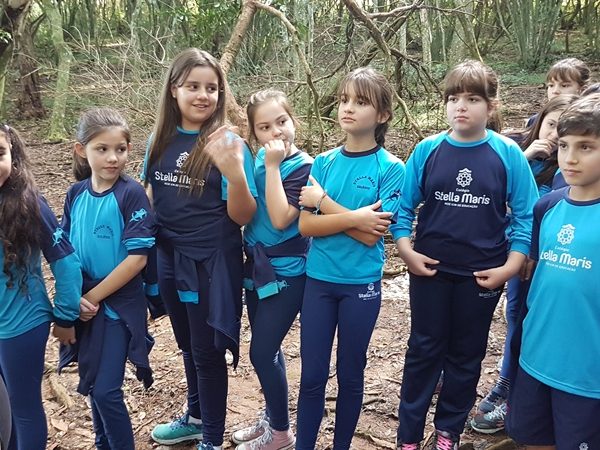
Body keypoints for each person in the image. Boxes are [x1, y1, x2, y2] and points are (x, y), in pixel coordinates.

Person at [392, 60, 539, 450]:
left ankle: (448, 432)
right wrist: (406, 251)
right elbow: (403, 208)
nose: (461, 106)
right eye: (454, 98)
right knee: (423, 349)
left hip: (482, 276)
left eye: (473, 99)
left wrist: (510, 266)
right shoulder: (428, 150)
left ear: (491, 106)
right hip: (430, 271)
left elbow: (526, 215)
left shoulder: (507, 154)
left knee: (466, 354)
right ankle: (408, 437)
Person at [144, 48, 257, 450]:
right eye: (193, 86)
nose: (203, 95)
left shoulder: (227, 143)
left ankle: (212, 438)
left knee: (207, 352)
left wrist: (235, 174)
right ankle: (195, 418)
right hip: (169, 257)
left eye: (212, 88)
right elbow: (151, 196)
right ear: (174, 90)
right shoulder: (158, 139)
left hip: (211, 262)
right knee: (187, 345)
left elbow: (242, 216)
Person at [295, 67, 405, 450]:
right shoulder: (323, 163)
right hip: (319, 282)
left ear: (383, 115)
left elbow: (372, 234)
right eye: (344, 100)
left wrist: (324, 203)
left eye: (360, 102)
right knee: (311, 377)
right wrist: (355, 217)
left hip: (361, 286)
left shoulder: (391, 168)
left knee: (350, 374)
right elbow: (306, 226)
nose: (348, 108)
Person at [471, 94, 579, 434]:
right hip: (511, 253)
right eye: (551, 125)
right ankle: (505, 385)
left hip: (553, 263)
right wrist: (527, 155)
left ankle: (520, 394)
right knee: (515, 316)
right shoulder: (520, 154)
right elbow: (495, 190)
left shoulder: (571, 173)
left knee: (537, 321)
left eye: (563, 131)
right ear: (539, 122)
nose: (555, 136)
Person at [507, 94, 600, 448]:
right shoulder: (546, 207)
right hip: (535, 358)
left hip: (587, 376)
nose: (570, 157)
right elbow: (536, 281)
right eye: (564, 145)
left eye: (586, 147)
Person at [58, 108, 155, 449]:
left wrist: (92, 298)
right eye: (102, 149)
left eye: (121, 149)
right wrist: (73, 298)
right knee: (92, 381)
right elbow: (64, 252)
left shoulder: (131, 194)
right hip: (83, 301)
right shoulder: (76, 194)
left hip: (117, 305)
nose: (113, 158)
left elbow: (137, 258)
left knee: (105, 390)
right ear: (81, 150)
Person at [230, 89, 312, 450]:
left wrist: (275, 166)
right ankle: (272, 418)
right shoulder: (259, 158)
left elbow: (280, 219)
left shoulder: (303, 166)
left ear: (293, 120)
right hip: (256, 268)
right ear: (254, 133)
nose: (276, 132)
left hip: (288, 273)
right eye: (264, 127)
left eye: (281, 121)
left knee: (260, 353)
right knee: (270, 349)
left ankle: (281, 433)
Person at [0, 125, 81, 450]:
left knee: (23, 408)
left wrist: (65, 317)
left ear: (13, 155)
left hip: (22, 324)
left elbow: (67, 264)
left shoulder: (29, 203)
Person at [526, 58, 590, 127]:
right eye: (551, 85)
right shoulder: (535, 121)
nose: (555, 91)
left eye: (564, 85)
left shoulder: (592, 124)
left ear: (583, 90)